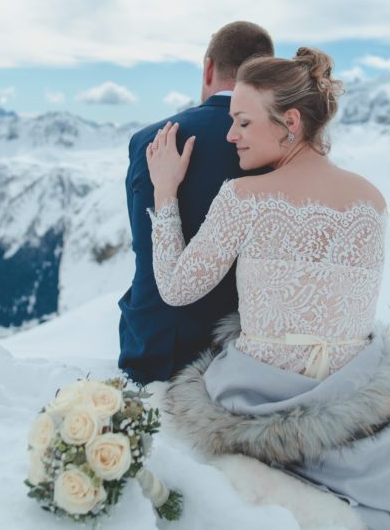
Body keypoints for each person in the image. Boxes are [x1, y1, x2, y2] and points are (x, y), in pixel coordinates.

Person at [144, 47, 390, 529]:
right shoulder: (372, 198)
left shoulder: (245, 197)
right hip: (362, 416)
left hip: (260, 408)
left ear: (290, 122)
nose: (230, 135)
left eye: (243, 122)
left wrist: (165, 191)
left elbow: (177, 289)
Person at [117, 21, 275, 385]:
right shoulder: (280, 147)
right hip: (248, 353)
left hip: (158, 351)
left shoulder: (150, 140)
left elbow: (145, 248)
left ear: (208, 68)